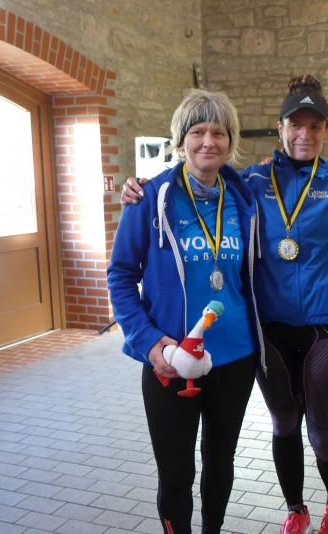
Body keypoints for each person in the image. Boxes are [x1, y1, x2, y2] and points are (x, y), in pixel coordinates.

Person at [119, 75, 328, 534]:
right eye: (295, 124)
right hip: (267, 330)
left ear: (327, 131)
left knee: (325, 435)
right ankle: (296, 509)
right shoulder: (249, 182)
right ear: (280, 128)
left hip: (320, 329)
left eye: (315, 126)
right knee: (284, 424)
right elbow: (193, 180)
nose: (304, 134)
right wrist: (141, 185)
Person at [107, 90, 262, 534]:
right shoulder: (149, 198)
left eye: (219, 132)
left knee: (220, 461)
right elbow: (120, 275)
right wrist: (149, 342)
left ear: (231, 141)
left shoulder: (244, 197)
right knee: (176, 472)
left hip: (234, 355)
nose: (208, 141)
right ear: (180, 141)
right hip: (171, 357)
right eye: (197, 132)